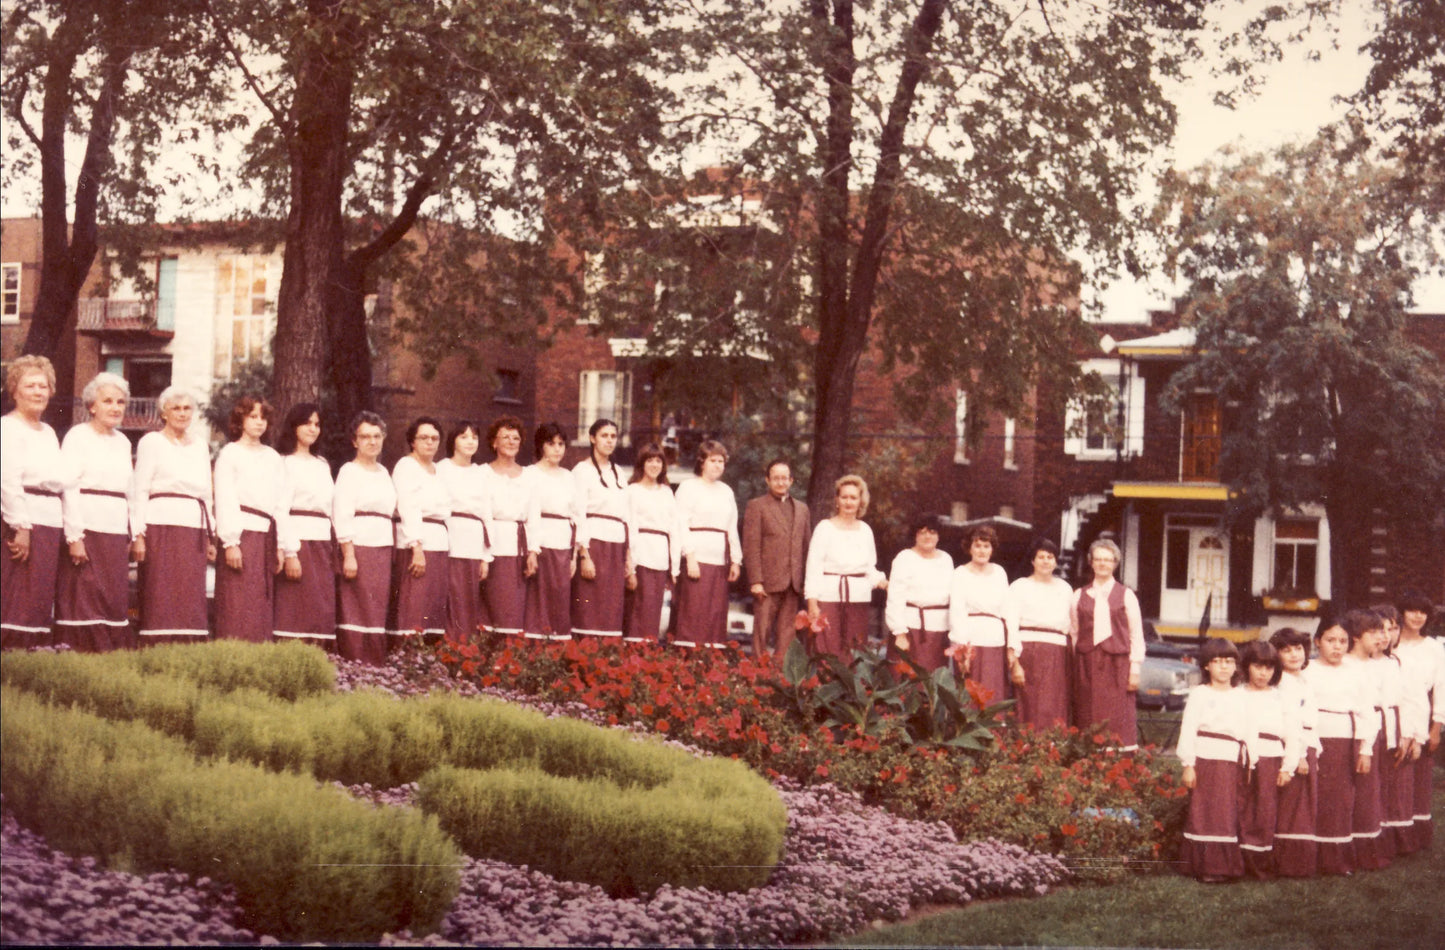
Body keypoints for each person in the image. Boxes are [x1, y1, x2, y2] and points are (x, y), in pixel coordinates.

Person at [56, 371, 135, 651]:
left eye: (120, 402)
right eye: (108, 401)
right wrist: (75, 536)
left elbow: (130, 492)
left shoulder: (124, 443)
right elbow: (68, 486)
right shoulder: (78, 436)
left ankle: (109, 655)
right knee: (83, 595)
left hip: (114, 530)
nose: (115, 407)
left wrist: (133, 533)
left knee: (111, 597)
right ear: (92, 405)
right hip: (87, 527)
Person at [131, 385, 215, 645]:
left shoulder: (200, 445)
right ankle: (157, 645)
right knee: (161, 590)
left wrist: (211, 535)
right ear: (164, 413)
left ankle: (188, 647)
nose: (182, 413)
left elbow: (207, 494)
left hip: (194, 527)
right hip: (160, 525)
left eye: (187, 408)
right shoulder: (151, 442)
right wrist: (138, 534)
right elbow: (139, 489)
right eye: (175, 408)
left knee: (190, 593)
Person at [2, 355, 74, 649]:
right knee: (17, 591)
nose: (37, 392)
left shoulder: (49, 433)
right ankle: (11, 654)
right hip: (22, 520)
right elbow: (7, 479)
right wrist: (21, 526)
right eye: (30, 385)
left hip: (49, 520)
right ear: (15, 391)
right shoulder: (7, 427)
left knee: (40, 594)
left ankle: (35, 651)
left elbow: (60, 481)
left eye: (43, 386)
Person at [1305, 614, 1377, 876]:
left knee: (1339, 801)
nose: (1336, 646)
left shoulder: (1356, 673)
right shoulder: (1307, 671)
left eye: (1342, 641)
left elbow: (1367, 712)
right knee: (1313, 797)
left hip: (1344, 741)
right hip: (1312, 740)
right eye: (1330, 640)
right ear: (1317, 642)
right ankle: (1308, 857)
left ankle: (1336, 859)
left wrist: (1365, 749)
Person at [213, 396, 285, 642]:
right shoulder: (231, 453)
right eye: (253, 416)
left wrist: (281, 546)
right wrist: (231, 542)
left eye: (263, 417)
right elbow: (225, 497)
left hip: (266, 536)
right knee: (236, 603)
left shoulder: (273, 457)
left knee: (259, 604)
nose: (259, 422)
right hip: (241, 534)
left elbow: (279, 504)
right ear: (241, 419)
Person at [1177, 637, 1246, 882]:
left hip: (1229, 759)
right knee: (1204, 812)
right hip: (1205, 757)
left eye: (1229, 661)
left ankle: (1224, 866)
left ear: (1236, 665)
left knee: (1225, 813)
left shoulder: (1241, 695)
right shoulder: (1200, 694)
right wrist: (1188, 764)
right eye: (1217, 662)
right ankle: (1203, 866)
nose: (1224, 667)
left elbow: (1247, 730)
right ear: (1206, 666)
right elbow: (1188, 729)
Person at [1070, 538, 1145, 752]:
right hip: (1087, 664)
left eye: (1108, 560)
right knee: (1088, 714)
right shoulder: (1078, 596)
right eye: (1098, 559)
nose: (1103, 564)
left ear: (1115, 563)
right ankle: (1088, 763)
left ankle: (1118, 767)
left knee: (1117, 718)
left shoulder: (1126, 595)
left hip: (1117, 665)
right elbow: (1075, 632)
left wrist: (1135, 669)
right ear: (1091, 562)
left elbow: (1136, 635)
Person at [333, 411, 396, 663]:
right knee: (356, 605)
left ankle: (375, 664)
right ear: (354, 441)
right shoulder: (349, 471)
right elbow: (342, 513)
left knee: (376, 608)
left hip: (383, 546)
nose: (372, 441)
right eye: (365, 436)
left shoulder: (384, 472)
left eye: (377, 436)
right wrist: (349, 554)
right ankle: (355, 662)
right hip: (358, 546)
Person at [273, 403, 337, 649]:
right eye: (307, 423)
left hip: (322, 542)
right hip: (298, 541)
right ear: (294, 426)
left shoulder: (322, 464)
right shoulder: (284, 462)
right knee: (295, 606)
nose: (313, 428)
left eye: (317, 424)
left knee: (319, 605)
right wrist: (290, 552)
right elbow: (281, 509)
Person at [804, 474, 886, 658]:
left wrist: (882, 581)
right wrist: (812, 602)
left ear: (860, 501)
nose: (848, 502)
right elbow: (813, 567)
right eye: (844, 497)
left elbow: (869, 568)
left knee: (855, 650)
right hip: (829, 598)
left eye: (853, 497)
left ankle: (853, 687)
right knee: (826, 647)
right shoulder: (824, 527)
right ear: (837, 500)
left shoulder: (865, 530)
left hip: (858, 599)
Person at [671, 440, 742, 648]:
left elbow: (732, 527)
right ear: (702, 461)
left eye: (721, 461)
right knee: (693, 612)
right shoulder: (688, 487)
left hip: (719, 562)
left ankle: (709, 664)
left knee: (714, 613)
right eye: (713, 460)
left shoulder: (726, 491)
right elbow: (681, 524)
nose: (718, 465)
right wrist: (690, 556)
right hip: (696, 561)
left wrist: (736, 561)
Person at [390, 416, 450, 644]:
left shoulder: (438, 470)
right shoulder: (406, 466)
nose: (430, 442)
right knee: (413, 604)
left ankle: (427, 663)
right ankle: (406, 660)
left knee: (432, 607)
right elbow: (408, 506)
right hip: (416, 545)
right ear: (412, 441)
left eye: (435, 438)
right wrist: (416, 547)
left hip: (439, 544)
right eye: (423, 437)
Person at [1392, 588, 1444, 853]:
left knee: (1416, 776)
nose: (1417, 616)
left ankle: (1413, 835)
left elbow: (1441, 688)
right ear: (1401, 612)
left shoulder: (1435, 648)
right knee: (1392, 772)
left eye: (1423, 611)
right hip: (1392, 713)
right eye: (1412, 610)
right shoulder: (1390, 643)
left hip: (1419, 713)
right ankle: (1390, 833)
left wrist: (1436, 728)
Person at [742, 458, 809, 658]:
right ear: (767, 480)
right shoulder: (757, 506)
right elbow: (751, 545)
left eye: (784, 478)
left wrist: (806, 581)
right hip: (766, 584)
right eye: (776, 478)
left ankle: (782, 680)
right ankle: (754, 677)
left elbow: (806, 547)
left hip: (793, 584)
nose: (781, 482)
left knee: (787, 637)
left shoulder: (802, 509)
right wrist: (755, 581)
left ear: (791, 481)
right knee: (761, 634)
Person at [1237, 640, 1292, 879]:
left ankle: (1260, 862)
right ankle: (1237, 860)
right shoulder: (1237, 694)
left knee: (1264, 810)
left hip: (1270, 757)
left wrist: (1287, 766)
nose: (1263, 673)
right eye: (1258, 667)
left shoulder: (1280, 698)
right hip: (1241, 757)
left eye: (1269, 668)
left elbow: (1292, 733)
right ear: (1247, 666)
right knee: (1241, 806)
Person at [1004, 538, 1075, 728]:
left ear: (1055, 562)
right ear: (1033, 561)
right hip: (1029, 651)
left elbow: (1073, 626)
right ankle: (1027, 748)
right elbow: (1011, 624)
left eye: (1050, 557)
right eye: (1041, 557)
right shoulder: (1019, 586)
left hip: (1058, 653)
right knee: (1030, 704)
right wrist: (1015, 662)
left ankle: (1053, 748)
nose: (1045, 561)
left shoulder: (1065, 589)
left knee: (1055, 703)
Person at [1372, 603, 1423, 857]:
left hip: (1397, 725)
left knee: (1396, 785)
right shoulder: (1363, 662)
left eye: (1392, 628)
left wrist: (1413, 735)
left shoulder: (1401, 663)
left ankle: (1397, 841)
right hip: (1372, 726)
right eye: (1380, 629)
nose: (1387, 635)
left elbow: (1413, 701)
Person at [479, 416, 539, 637]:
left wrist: (532, 552)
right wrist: (485, 553)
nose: (511, 441)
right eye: (505, 437)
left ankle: (508, 664)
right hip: (492, 546)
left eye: (516, 438)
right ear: (494, 443)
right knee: (490, 607)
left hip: (518, 549)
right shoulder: (483, 473)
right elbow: (483, 513)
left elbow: (533, 516)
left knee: (513, 609)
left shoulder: (529, 476)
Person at [571, 418, 629, 639]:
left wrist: (628, 556)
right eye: (604, 436)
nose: (609, 440)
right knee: (588, 606)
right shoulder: (582, 471)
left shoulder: (620, 473)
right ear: (593, 438)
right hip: (594, 545)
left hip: (616, 547)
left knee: (610, 608)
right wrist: (584, 554)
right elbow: (579, 513)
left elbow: (626, 515)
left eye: (613, 436)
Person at [1269, 626, 1319, 877]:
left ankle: (1299, 861)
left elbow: (1310, 717)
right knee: (1292, 805)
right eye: (1286, 650)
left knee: (1304, 803)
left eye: (1298, 648)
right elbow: (1290, 721)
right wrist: (1299, 754)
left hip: (1306, 741)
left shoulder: (1304, 680)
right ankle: (1287, 861)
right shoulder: (1282, 683)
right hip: (1292, 746)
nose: (1293, 655)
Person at [437, 420, 491, 645]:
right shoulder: (441, 468)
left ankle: (466, 652)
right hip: (450, 537)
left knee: (469, 598)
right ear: (453, 440)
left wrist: (486, 557)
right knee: (451, 594)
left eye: (474, 437)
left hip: (474, 540)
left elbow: (487, 513)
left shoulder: (482, 473)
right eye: (464, 436)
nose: (470, 441)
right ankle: (448, 648)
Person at [947, 526, 1012, 705]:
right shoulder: (960, 573)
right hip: (970, 642)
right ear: (970, 548)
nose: (982, 550)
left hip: (995, 641)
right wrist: (962, 651)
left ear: (992, 549)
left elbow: (1007, 610)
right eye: (977, 545)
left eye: (986, 546)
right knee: (969, 695)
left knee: (992, 693)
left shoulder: (1000, 573)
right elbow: (957, 613)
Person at [523, 422, 576, 640]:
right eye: (551, 443)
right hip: (539, 541)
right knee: (537, 600)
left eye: (561, 444)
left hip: (563, 544)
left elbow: (577, 516)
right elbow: (529, 511)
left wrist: (574, 555)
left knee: (559, 598)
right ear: (541, 446)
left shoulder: (569, 477)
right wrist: (532, 549)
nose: (557, 449)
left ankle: (555, 651)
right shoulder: (529, 474)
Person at [623, 442, 679, 644]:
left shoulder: (666, 492)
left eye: (658, 461)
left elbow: (674, 528)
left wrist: (674, 566)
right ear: (642, 464)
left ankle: (649, 658)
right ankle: (633, 656)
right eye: (650, 460)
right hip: (641, 554)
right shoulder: (632, 491)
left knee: (654, 611)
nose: (654, 465)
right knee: (637, 609)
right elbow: (629, 527)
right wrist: (630, 567)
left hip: (661, 557)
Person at [884, 513, 954, 673]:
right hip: (910, 631)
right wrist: (900, 634)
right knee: (906, 682)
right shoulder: (904, 558)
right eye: (922, 532)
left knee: (933, 684)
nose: (927, 536)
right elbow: (895, 598)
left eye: (932, 532)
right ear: (915, 535)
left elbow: (953, 597)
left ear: (938, 536)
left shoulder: (946, 560)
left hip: (938, 634)